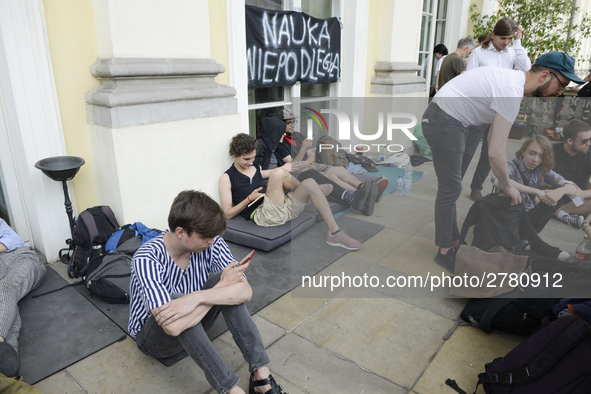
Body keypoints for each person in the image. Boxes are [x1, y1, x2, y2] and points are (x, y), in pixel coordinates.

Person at [422, 51, 585, 270]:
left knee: (452, 185)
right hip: (444, 119)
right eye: (561, 84)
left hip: (453, 120)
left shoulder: (512, 83)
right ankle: (445, 250)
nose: (560, 92)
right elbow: (496, 152)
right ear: (545, 76)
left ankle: (453, 242)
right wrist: (509, 186)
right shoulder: (512, 91)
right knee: (450, 188)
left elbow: (492, 141)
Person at [128, 190, 287, 394]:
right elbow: (173, 327)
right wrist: (216, 291)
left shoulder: (211, 242)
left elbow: (245, 291)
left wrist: (199, 297)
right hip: (155, 339)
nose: (212, 241)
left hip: (195, 318)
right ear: (180, 232)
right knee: (183, 300)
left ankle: (261, 376)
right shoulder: (147, 259)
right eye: (206, 237)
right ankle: (231, 389)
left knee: (224, 283)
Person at [220, 133, 363, 250]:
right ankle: (313, 191)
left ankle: (335, 233)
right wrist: (249, 199)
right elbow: (227, 214)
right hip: (264, 215)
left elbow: (269, 173)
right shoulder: (227, 178)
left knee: (310, 183)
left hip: (283, 209)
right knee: (278, 172)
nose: (251, 162)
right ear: (234, 155)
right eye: (246, 159)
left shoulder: (255, 168)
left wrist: (291, 166)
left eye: (253, 158)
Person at [463, 18, 532, 202]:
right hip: (479, 110)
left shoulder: (512, 53)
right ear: (493, 35)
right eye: (503, 38)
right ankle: (454, 185)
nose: (506, 42)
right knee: (467, 151)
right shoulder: (479, 52)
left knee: (490, 152)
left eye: (510, 38)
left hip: (499, 112)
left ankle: (476, 188)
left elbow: (526, 69)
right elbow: (469, 80)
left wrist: (518, 42)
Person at [273, 109, 388, 213]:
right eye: (289, 123)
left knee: (340, 169)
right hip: (299, 172)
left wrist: (307, 162)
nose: (292, 125)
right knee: (331, 177)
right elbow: (294, 166)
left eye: (294, 122)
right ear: (280, 123)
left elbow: (311, 157)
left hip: (310, 165)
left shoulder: (298, 135)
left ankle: (362, 187)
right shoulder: (280, 142)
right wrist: (303, 150)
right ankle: (367, 194)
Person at [491, 134, 575, 261]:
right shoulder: (511, 166)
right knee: (515, 197)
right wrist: (536, 191)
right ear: (523, 151)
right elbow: (498, 180)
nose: (535, 159)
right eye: (532, 153)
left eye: (541, 156)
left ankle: (530, 239)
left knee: (560, 196)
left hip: (527, 222)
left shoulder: (541, 170)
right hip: (506, 221)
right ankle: (536, 243)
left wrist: (560, 191)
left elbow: (572, 187)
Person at [0, 219, 46, 377]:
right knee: (6, 300)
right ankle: (8, 375)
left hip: (19, 258)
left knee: (6, 288)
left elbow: (13, 240)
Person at [552, 119, 591, 227]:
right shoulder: (552, 151)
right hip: (553, 195)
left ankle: (557, 212)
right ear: (570, 141)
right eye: (584, 141)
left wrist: (582, 193)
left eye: (590, 139)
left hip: (578, 201)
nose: (589, 143)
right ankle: (560, 213)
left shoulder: (589, 154)